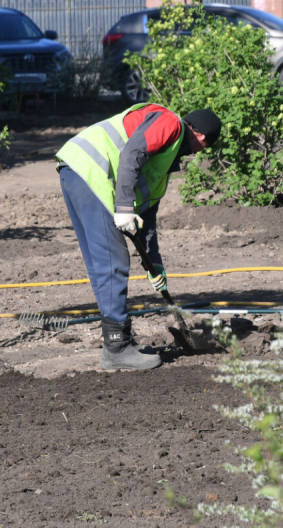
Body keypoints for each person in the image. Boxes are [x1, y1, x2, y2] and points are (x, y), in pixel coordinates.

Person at [56, 104, 221, 371]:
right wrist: (123, 207)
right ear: (202, 138)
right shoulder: (170, 123)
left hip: (76, 170)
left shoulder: (162, 164)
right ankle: (117, 349)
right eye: (203, 148)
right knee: (113, 260)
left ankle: (117, 342)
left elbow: (149, 218)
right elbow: (131, 153)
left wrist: (154, 265)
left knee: (102, 262)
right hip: (92, 172)